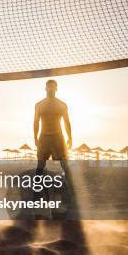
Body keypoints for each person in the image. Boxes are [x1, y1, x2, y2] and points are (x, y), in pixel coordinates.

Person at [33, 79, 75, 218]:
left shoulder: (62, 105)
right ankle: (36, 196)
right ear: (45, 88)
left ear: (56, 88)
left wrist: (70, 137)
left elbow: (67, 121)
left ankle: (72, 195)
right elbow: (36, 121)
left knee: (65, 165)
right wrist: (35, 138)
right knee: (40, 166)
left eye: (53, 87)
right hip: (44, 137)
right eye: (48, 86)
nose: (50, 89)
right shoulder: (39, 105)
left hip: (58, 137)